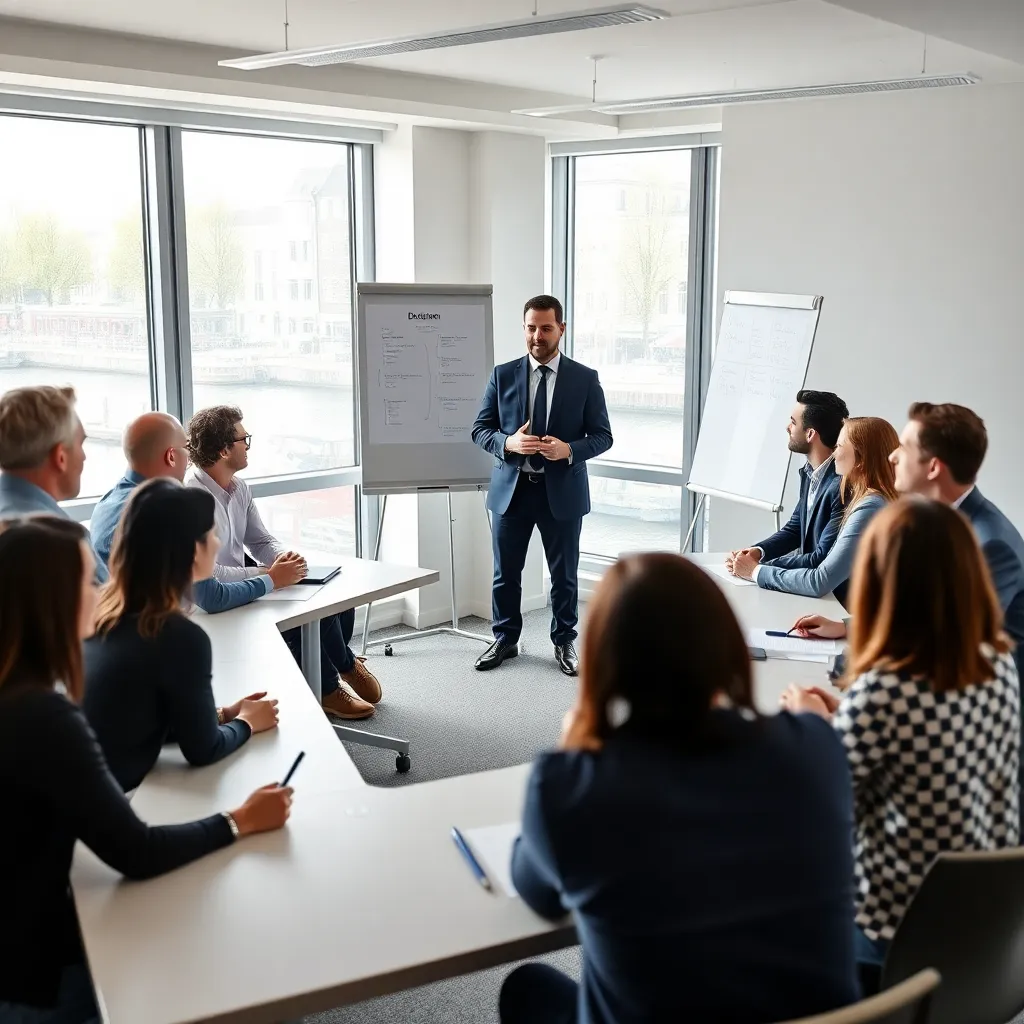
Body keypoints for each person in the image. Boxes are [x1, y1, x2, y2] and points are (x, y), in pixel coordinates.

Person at [499, 553, 858, 1024]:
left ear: (606, 664)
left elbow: (538, 893)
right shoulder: (817, 750)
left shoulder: (572, 788)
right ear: (726, 646)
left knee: (526, 990)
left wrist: (573, 753)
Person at [0, 515, 292, 1022]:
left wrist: (220, 714)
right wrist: (241, 819)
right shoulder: (45, 718)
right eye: (84, 580)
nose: (98, 590)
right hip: (35, 974)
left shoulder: (25, 694)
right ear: (53, 603)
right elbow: (136, 851)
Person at [781, 499, 1019, 988]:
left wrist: (807, 723)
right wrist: (844, 715)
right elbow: (924, 745)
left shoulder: (888, 687)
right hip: (980, 932)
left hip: (886, 938)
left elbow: (816, 802)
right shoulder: (994, 663)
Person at [83, 479, 280, 792]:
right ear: (191, 551)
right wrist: (247, 723)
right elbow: (204, 750)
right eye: (211, 535)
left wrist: (222, 714)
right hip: (115, 807)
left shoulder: (103, 611)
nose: (217, 544)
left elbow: (139, 712)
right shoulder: (178, 637)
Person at [185, 404, 380, 720]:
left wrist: (282, 559)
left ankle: (343, 663)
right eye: (243, 439)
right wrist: (270, 574)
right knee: (304, 611)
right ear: (223, 450)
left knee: (330, 596)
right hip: (210, 603)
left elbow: (259, 540)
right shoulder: (193, 499)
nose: (248, 445)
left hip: (245, 583)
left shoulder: (239, 487)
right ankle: (330, 685)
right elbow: (212, 575)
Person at [471, 295, 613, 676]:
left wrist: (570, 449)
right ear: (524, 328)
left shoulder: (585, 378)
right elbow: (480, 430)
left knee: (564, 575)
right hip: (511, 491)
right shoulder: (502, 375)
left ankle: (564, 641)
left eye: (546, 328)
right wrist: (507, 443)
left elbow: (603, 436)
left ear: (561, 329)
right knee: (506, 574)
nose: (538, 336)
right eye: (531, 328)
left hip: (562, 492)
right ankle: (505, 638)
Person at [90, 412, 304, 613]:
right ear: (171, 456)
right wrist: (272, 579)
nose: (191, 458)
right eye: (187, 447)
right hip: (148, 638)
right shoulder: (167, 511)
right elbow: (212, 597)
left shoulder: (107, 502)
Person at [729, 417, 899, 606]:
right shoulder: (870, 500)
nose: (833, 454)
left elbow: (820, 580)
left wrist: (755, 571)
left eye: (839, 446)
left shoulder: (870, 506)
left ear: (860, 459)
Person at [726, 389, 848, 574]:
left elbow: (821, 556)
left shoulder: (840, 485)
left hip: (832, 597)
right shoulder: (810, 473)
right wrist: (757, 552)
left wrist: (756, 568)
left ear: (810, 434)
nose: (787, 427)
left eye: (793, 422)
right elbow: (795, 529)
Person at [0, 384, 107, 581]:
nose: (84, 457)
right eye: (80, 444)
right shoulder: (61, 542)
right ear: (61, 457)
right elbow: (111, 610)